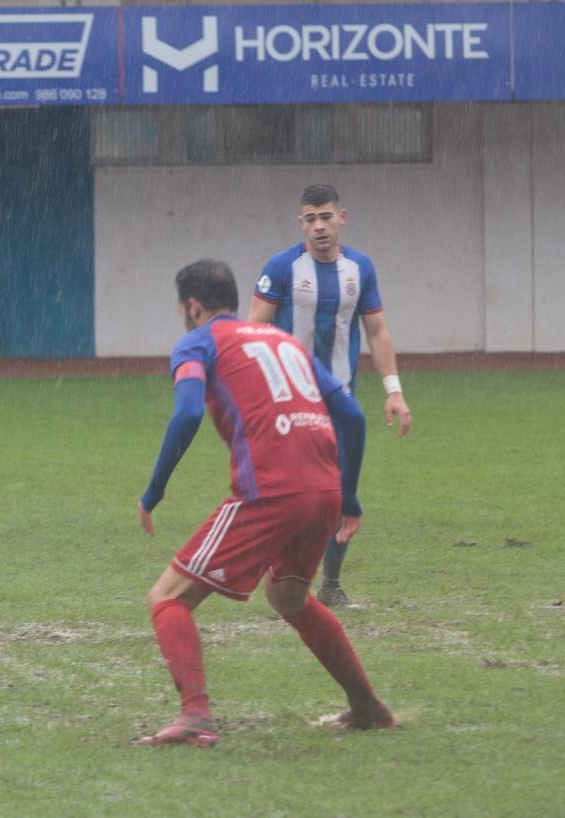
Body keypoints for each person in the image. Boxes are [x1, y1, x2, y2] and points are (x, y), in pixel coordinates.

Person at [135, 259, 394, 747]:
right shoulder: (286, 341)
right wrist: (350, 496)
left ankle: (195, 715)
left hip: (272, 490)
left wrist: (155, 490)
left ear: (192, 307)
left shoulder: (198, 342)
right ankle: (367, 706)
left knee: (168, 597)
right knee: (288, 596)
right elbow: (353, 415)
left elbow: (188, 410)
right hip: (324, 487)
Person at [250, 184, 412, 608]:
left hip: (339, 401)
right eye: (310, 218)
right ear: (300, 222)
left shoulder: (361, 268)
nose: (319, 226)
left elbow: (377, 330)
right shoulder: (282, 267)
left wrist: (393, 391)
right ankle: (283, 579)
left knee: (339, 495)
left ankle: (331, 584)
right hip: (289, 402)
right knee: (291, 497)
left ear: (343, 216)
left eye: (326, 216)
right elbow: (255, 332)